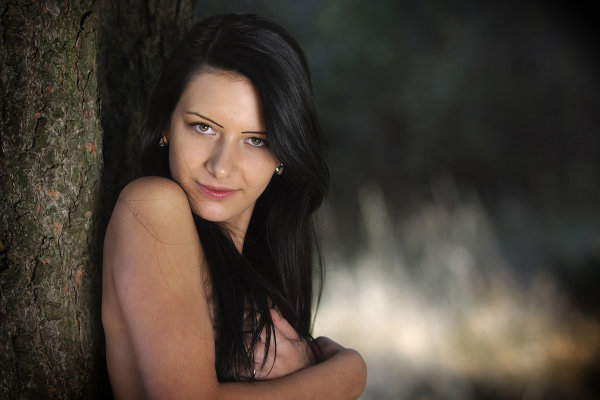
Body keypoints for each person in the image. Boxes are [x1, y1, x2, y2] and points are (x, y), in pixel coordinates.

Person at [101, 13, 366, 399]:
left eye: (256, 140)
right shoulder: (153, 206)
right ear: (165, 124)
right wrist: (347, 375)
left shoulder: (263, 264)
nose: (221, 166)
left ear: (284, 152)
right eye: (203, 127)